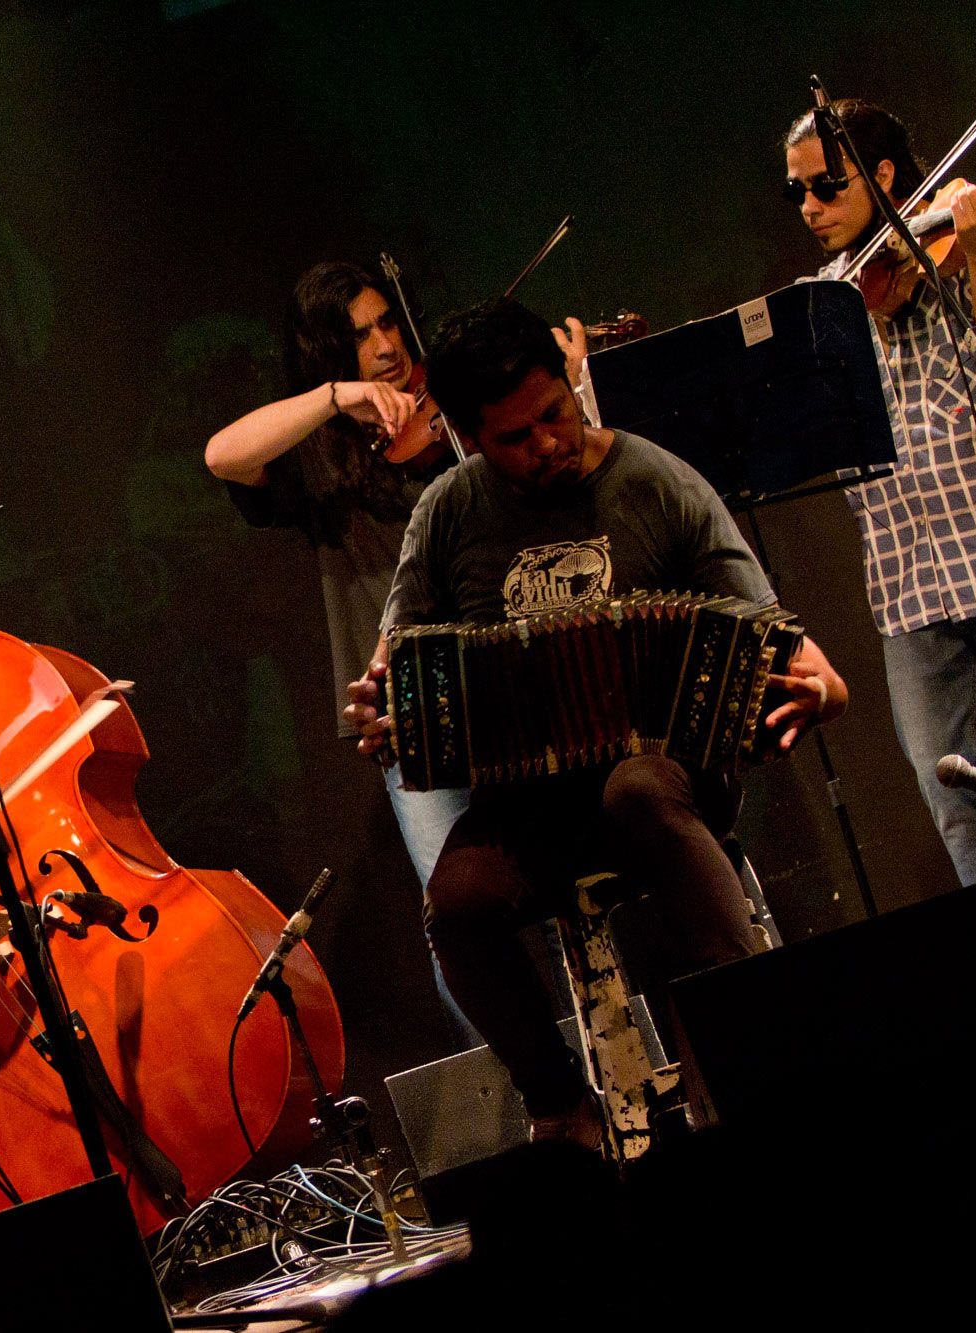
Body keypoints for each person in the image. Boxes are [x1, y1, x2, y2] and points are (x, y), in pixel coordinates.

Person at [344, 299, 849, 1144]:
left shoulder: (659, 482)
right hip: (527, 804)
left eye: (556, 413)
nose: (546, 442)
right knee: (458, 902)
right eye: (516, 436)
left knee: (636, 791)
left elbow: (781, 640)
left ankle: (742, 1052)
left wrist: (820, 686)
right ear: (470, 438)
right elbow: (398, 670)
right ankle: (560, 1107)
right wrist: (384, 712)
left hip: (669, 776)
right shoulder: (447, 515)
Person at [205, 261, 588, 1046]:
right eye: (360, 334)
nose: (385, 344)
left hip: (512, 674)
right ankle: (540, 1079)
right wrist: (338, 400)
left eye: (388, 323)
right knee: (460, 921)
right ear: (324, 352)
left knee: (567, 886)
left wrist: (571, 385)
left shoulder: (454, 417)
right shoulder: (318, 460)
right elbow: (222, 454)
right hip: (414, 706)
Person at [784, 98, 976, 887]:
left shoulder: (958, 252)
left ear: (883, 176)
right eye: (797, 192)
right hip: (909, 587)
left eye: (825, 187)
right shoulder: (827, 297)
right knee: (955, 796)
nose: (809, 207)